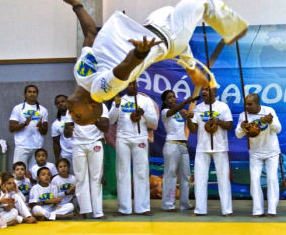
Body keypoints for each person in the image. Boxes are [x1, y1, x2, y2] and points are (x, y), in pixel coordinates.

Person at [63, 0, 248, 126]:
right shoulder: (100, 92)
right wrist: (139, 53)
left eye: (73, 117)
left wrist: (76, 5)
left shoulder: (80, 75)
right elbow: (123, 69)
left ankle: (189, 62)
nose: (71, 114)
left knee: (168, 9)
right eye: (78, 116)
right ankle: (234, 28)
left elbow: (90, 34)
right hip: (170, 37)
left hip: (152, 24)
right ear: (93, 107)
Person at [109, 81, 158, 216]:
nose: (132, 86)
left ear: (137, 85)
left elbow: (154, 123)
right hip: (123, 138)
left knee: (141, 173)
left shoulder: (145, 100)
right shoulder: (120, 100)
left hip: (140, 138)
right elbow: (111, 120)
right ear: (126, 86)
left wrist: (144, 114)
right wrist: (117, 105)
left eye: (134, 84)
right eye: (129, 84)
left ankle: (142, 207)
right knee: (122, 172)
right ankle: (124, 208)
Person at [235, 93, 282, 217]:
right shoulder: (243, 115)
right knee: (255, 180)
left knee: (272, 179)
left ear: (258, 104)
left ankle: (272, 210)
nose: (247, 107)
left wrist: (271, 121)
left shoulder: (269, 111)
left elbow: (278, 129)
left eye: (250, 104)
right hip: (255, 153)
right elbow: (238, 135)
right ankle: (258, 210)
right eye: (245, 104)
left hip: (272, 152)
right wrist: (241, 127)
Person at [191, 88, 233, 216]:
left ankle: (227, 210)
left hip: (220, 148)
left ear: (214, 92)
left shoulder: (223, 107)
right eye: (203, 90)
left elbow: (230, 126)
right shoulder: (197, 108)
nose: (204, 92)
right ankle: (200, 209)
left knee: (223, 179)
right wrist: (188, 119)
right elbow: (193, 129)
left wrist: (218, 121)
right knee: (199, 179)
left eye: (207, 90)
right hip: (202, 148)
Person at [64, 105, 109, 219]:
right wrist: (68, 130)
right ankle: (84, 210)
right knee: (80, 178)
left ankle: (98, 212)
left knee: (96, 178)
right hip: (78, 144)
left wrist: (94, 119)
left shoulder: (101, 106)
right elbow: (66, 132)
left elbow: (105, 127)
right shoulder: (73, 105)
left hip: (95, 142)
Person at [160, 90, 197, 212]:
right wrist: (186, 102)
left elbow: (190, 130)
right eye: (170, 98)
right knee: (170, 176)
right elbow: (172, 111)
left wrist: (188, 118)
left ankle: (184, 203)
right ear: (165, 101)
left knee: (186, 176)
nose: (173, 99)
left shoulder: (181, 113)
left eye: (174, 97)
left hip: (183, 146)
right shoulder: (165, 112)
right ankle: (169, 204)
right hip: (172, 146)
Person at [9, 84, 49, 169]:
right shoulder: (18, 108)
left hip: (37, 147)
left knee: (35, 174)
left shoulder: (43, 110)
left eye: (34, 92)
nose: (32, 94)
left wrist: (41, 126)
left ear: (37, 94)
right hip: (22, 146)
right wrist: (24, 124)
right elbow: (11, 128)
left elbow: (45, 132)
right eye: (29, 92)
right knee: (19, 173)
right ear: (25, 94)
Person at [52, 94, 75, 173]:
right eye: (58, 103)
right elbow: (56, 143)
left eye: (63, 101)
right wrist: (57, 159)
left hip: (79, 151)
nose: (60, 104)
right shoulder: (56, 124)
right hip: (66, 155)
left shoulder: (77, 118)